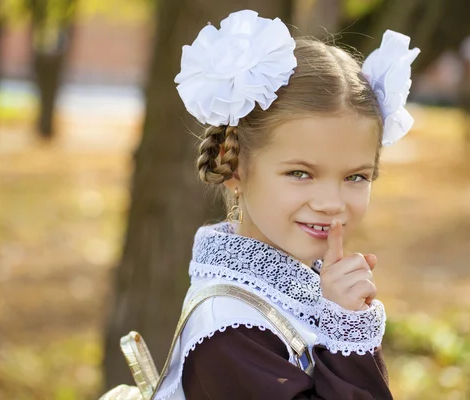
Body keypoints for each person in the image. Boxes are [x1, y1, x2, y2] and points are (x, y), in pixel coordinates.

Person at [155, 9, 420, 400]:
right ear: (235, 166)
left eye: (355, 177)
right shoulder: (229, 332)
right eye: (300, 173)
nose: (331, 203)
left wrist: (343, 322)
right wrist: (345, 333)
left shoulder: (309, 289)